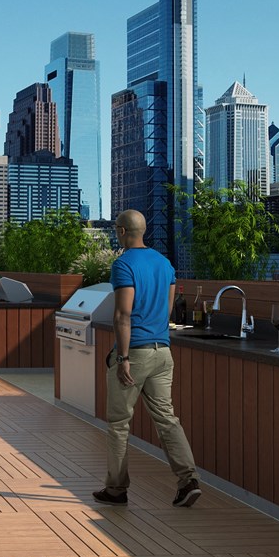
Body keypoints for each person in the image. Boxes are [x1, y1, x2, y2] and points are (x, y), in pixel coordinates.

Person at [93, 209, 201, 508]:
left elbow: (122, 314)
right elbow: (166, 310)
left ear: (122, 231)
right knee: (167, 419)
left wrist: (124, 357)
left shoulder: (123, 264)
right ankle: (188, 479)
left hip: (135, 353)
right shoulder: (164, 264)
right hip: (163, 352)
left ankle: (116, 489)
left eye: (117, 229)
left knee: (119, 424)